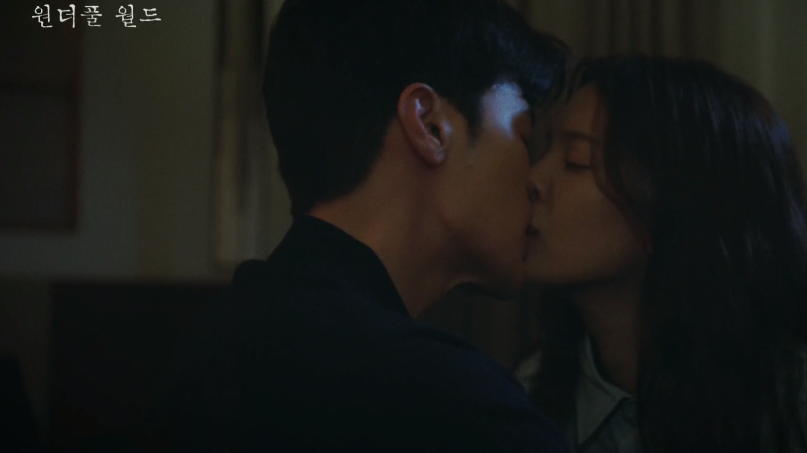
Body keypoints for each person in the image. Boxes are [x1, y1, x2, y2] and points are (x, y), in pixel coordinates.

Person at [157, 0, 570, 451]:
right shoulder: (447, 400)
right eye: (523, 136)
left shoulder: (215, 341)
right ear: (429, 125)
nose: (535, 180)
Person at [517, 55, 807, 453]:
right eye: (544, 148)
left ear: (672, 203)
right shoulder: (529, 393)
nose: (533, 177)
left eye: (576, 161)